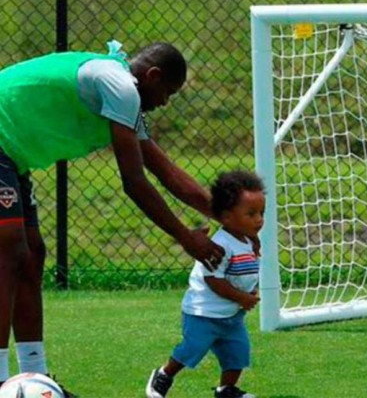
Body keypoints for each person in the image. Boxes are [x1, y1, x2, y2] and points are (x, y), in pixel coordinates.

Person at [0, 41, 226, 395]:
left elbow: (165, 171)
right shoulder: (119, 86)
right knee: (10, 250)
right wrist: (186, 237)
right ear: (152, 75)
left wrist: (230, 217)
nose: (165, 102)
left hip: (12, 156)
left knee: (31, 257)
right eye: (168, 91)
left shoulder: (121, 96)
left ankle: (34, 379)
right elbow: (134, 182)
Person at [145, 170, 264, 398]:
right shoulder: (219, 245)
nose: (259, 219)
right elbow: (213, 280)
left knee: (237, 353)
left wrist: (251, 290)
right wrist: (242, 298)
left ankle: (226, 390)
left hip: (231, 315)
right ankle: (163, 375)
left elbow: (245, 272)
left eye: (261, 212)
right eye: (251, 214)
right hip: (203, 313)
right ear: (227, 217)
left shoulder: (250, 240)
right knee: (193, 348)